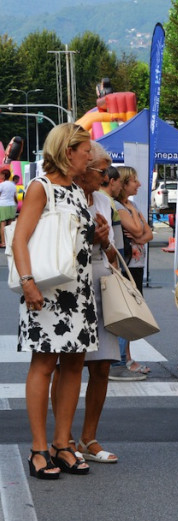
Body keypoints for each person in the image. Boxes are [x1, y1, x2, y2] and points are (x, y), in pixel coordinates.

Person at [12, 123, 100, 478]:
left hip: (78, 290)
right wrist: (27, 282)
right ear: (67, 151)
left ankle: (62, 444)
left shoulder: (78, 191)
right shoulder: (40, 188)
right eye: (85, 150)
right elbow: (20, 240)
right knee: (44, 365)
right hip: (46, 291)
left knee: (74, 366)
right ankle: (38, 449)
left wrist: (98, 235)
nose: (89, 156)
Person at [52, 142, 120, 463]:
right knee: (67, 365)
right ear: (85, 165)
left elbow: (116, 254)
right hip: (71, 281)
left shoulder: (105, 201)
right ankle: (62, 437)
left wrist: (106, 242)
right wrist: (89, 238)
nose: (107, 176)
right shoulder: (65, 195)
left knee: (102, 365)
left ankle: (88, 438)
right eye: (102, 169)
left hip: (101, 280)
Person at [109, 166, 153, 380]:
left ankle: (126, 356)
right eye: (134, 181)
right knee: (127, 312)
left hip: (136, 264)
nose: (139, 184)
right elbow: (138, 230)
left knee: (133, 311)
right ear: (124, 183)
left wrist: (140, 232)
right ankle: (120, 359)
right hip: (127, 264)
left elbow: (148, 234)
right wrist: (138, 222)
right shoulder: (119, 206)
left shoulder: (131, 205)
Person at [0, 168, 17, 248]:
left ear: (4, 175)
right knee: (10, 224)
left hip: (3, 205)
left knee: (3, 223)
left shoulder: (2, 185)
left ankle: (3, 243)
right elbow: (14, 197)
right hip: (11, 205)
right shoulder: (13, 184)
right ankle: (10, 242)